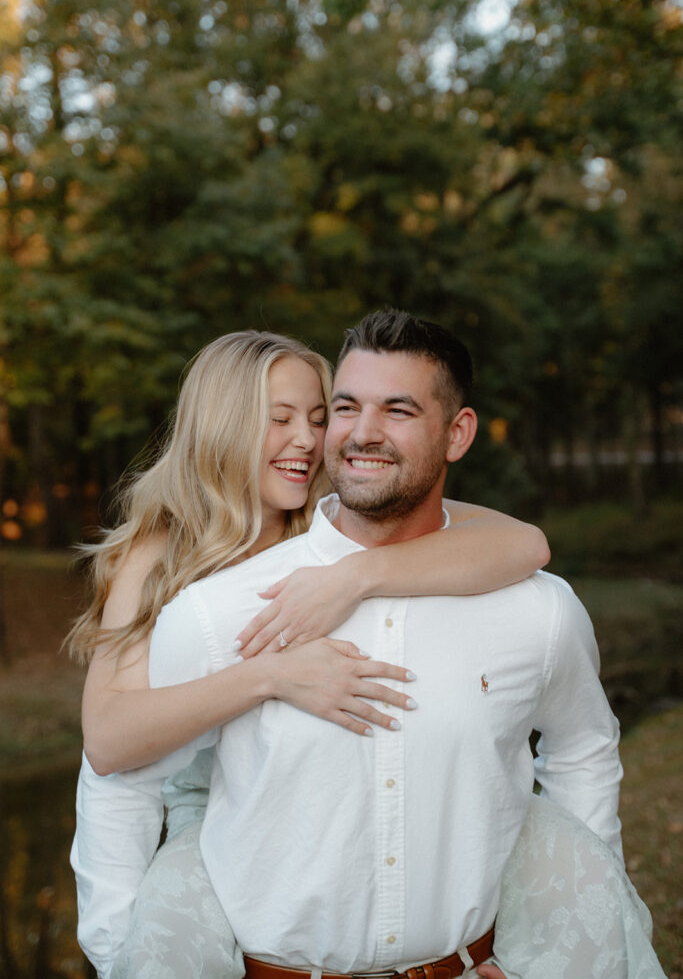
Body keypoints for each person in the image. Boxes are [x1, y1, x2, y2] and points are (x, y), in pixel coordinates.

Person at [72, 313, 665, 979]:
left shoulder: (344, 497)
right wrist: (270, 675)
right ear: (222, 426)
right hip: (217, 842)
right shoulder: (166, 561)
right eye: (281, 418)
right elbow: (111, 753)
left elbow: (522, 544)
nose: (313, 436)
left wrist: (357, 575)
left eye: (320, 415)